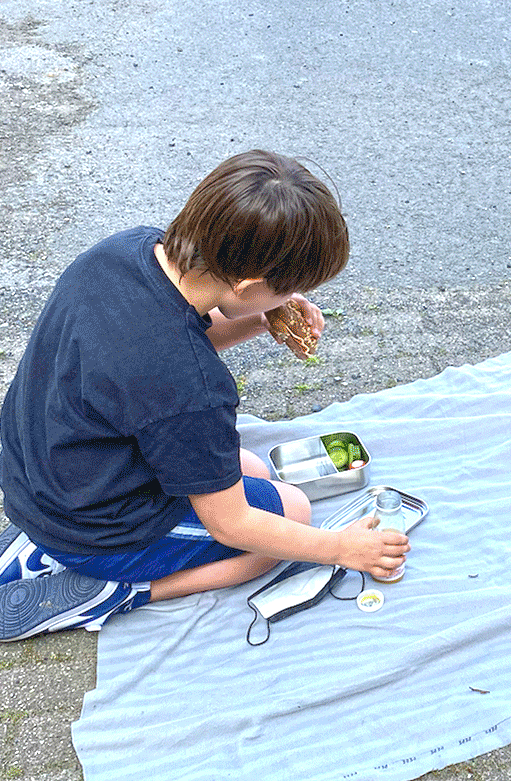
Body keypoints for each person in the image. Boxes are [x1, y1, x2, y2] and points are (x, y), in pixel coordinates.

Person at [0, 150, 409, 640]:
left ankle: (49, 542)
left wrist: (259, 317)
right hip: (95, 526)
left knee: (253, 470)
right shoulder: (194, 389)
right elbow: (231, 526)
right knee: (292, 516)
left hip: (41, 472)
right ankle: (121, 592)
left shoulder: (125, 252)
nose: (290, 300)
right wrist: (340, 548)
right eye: (287, 290)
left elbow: (163, 348)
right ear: (250, 283)